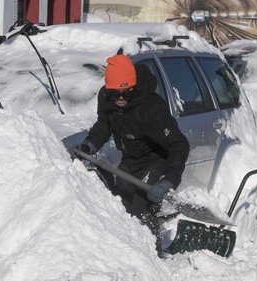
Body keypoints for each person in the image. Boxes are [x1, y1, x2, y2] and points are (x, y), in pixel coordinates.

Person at [73, 54, 190, 257]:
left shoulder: (152, 109)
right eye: (115, 93)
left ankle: (152, 261)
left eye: (126, 93)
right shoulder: (106, 97)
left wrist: (168, 181)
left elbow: (179, 145)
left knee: (140, 211)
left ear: (134, 87)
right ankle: (125, 259)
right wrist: (90, 144)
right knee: (121, 209)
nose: (120, 98)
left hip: (156, 160)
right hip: (130, 160)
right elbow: (104, 124)